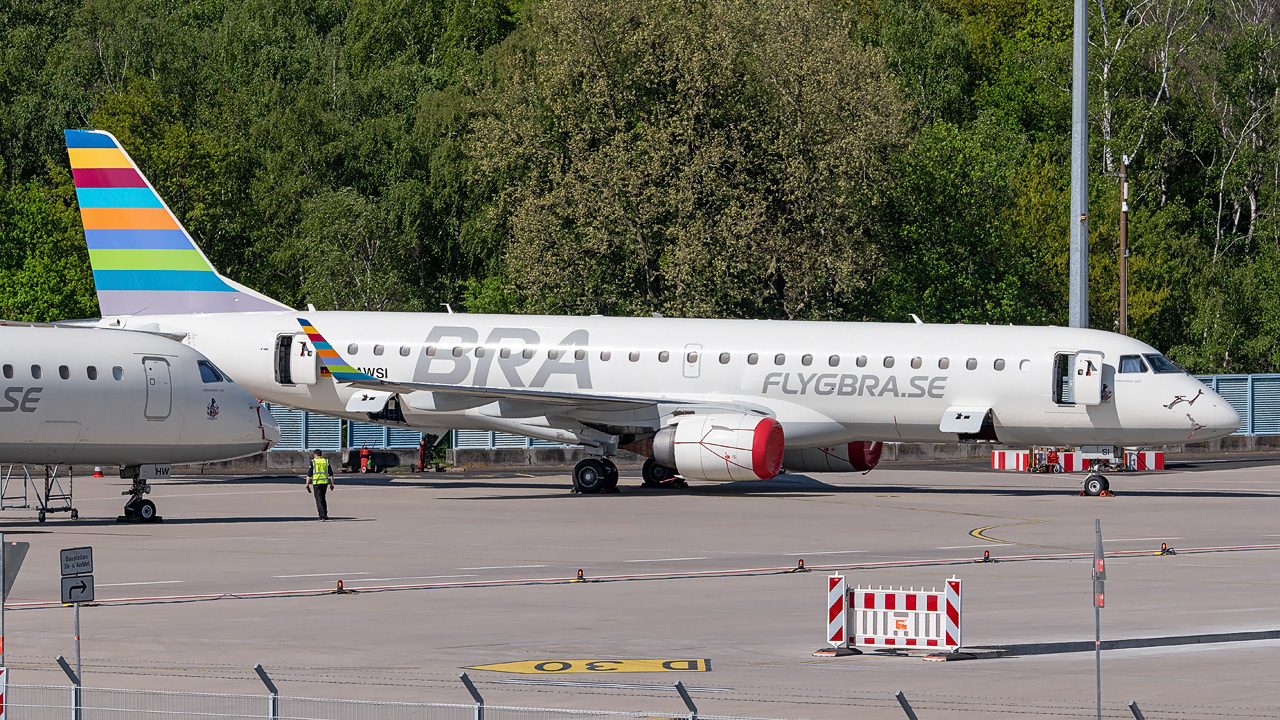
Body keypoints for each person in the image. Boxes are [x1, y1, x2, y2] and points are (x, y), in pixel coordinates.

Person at [306, 449, 335, 520]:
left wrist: (307, 484)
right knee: (323, 498)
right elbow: (330, 473)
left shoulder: (313, 462)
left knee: (318, 499)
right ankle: (325, 514)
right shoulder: (325, 461)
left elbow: (309, 474)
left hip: (317, 483)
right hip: (324, 483)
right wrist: (332, 483)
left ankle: (321, 516)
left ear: (315, 454)